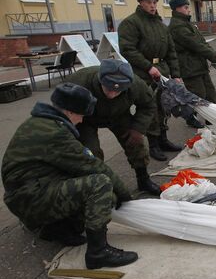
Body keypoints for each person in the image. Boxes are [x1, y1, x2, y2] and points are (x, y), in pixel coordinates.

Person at [2, 83, 138, 269]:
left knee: (95, 191)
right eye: (81, 115)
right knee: (100, 184)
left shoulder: (41, 122)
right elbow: (93, 167)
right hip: (30, 199)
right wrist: (126, 196)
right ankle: (98, 252)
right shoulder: (55, 133)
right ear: (69, 111)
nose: (81, 120)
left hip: (28, 193)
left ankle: (55, 229)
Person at [66, 59, 159, 195]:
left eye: (118, 90)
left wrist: (138, 128)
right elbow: (62, 108)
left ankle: (143, 179)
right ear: (100, 80)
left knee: (136, 143)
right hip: (85, 119)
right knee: (91, 153)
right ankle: (97, 187)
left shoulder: (136, 85)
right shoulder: (78, 83)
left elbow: (148, 105)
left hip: (119, 115)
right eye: (108, 88)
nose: (112, 94)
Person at [118, 0, 183, 162]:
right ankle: (153, 144)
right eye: (149, 2)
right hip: (143, 74)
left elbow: (171, 51)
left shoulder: (161, 24)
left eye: (155, 2)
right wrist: (148, 66)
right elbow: (127, 49)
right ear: (140, 2)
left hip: (161, 72)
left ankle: (163, 140)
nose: (153, 6)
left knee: (164, 106)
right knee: (150, 109)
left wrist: (176, 74)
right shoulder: (131, 23)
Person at [168, 0, 216, 127]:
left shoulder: (187, 23)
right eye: (186, 7)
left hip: (199, 65)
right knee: (197, 95)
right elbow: (195, 44)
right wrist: (214, 56)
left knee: (210, 93)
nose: (189, 10)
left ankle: (210, 118)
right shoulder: (177, 26)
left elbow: (202, 42)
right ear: (177, 9)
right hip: (189, 67)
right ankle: (190, 117)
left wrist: (214, 56)